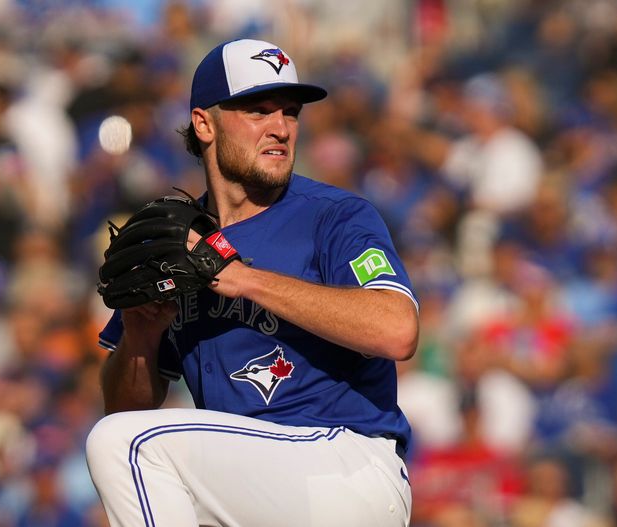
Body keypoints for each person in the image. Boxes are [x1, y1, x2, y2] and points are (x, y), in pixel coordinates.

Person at [85, 39, 419, 527]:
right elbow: (123, 408)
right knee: (124, 438)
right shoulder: (177, 243)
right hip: (249, 486)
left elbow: (397, 329)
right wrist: (141, 333)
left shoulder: (333, 216)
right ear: (204, 124)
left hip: (346, 467)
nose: (280, 128)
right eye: (257, 110)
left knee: (125, 446)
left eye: (289, 112)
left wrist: (245, 279)